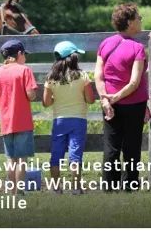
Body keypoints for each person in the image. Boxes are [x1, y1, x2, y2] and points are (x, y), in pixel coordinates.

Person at [95, 2, 149, 192]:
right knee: (132, 147)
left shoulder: (105, 44)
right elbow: (134, 83)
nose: (141, 21)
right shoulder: (138, 48)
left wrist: (105, 100)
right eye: (138, 18)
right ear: (130, 23)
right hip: (133, 104)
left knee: (111, 146)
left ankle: (109, 186)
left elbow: (98, 76)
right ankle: (130, 186)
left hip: (110, 103)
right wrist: (115, 98)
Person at [42, 41, 95, 195]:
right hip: (78, 120)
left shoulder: (51, 77)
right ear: (73, 57)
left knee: (56, 154)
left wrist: (56, 98)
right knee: (75, 154)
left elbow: (46, 103)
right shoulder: (82, 75)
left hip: (59, 120)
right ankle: (76, 188)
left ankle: (56, 188)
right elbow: (90, 100)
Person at [0, 39, 38, 196]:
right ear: (19, 54)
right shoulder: (25, 70)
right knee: (22, 159)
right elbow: (31, 95)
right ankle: (19, 191)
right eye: (24, 54)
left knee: (11, 159)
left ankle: (10, 191)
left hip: (6, 123)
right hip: (23, 122)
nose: (25, 58)